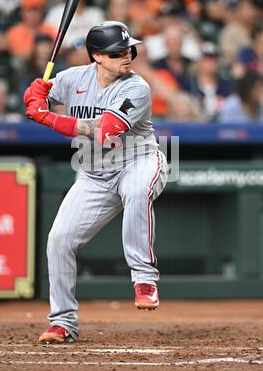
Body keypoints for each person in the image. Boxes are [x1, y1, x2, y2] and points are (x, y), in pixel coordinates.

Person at [24, 21, 168, 344]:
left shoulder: (137, 88)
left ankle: (144, 278)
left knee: (135, 191)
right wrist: (34, 94)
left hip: (139, 161)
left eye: (129, 50)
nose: (127, 57)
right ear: (97, 57)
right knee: (59, 240)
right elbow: (40, 93)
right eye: (118, 53)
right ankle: (62, 323)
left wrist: (47, 117)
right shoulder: (74, 78)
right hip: (94, 174)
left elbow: (103, 130)